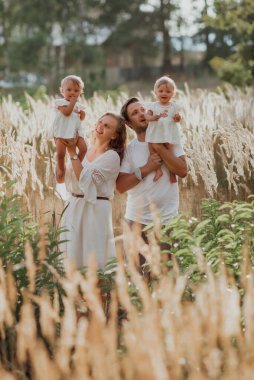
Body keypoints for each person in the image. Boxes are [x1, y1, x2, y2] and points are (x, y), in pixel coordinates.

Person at [116, 97, 187, 261]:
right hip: (136, 222)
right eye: (135, 113)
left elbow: (183, 171)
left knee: (170, 280)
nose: (141, 113)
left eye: (143, 109)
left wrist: (160, 148)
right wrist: (147, 168)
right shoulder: (129, 150)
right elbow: (120, 186)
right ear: (128, 123)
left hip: (168, 222)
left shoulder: (171, 140)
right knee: (138, 280)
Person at [60, 112, 127, 268]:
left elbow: (87, 181)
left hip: (94, 210)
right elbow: (65, 178)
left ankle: (98, 291)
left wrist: (72, 153)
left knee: (94, 259)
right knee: (71, 258)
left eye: (107, 126)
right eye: (100, 122)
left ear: (114, 136)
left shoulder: (112, 157)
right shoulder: (84, 150)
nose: (100, 126)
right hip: (73, 207)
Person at [144, 76, 182, 183]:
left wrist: (178, 118)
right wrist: (152, 118)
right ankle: (158, 170)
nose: (164, 93)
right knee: (152, 151)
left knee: (170, 152)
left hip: (168, 133)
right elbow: (146, 116)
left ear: (173, 93)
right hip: (155, 133)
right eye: (160, 91)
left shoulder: (174, 106)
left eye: (168, 91)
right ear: (155, 92)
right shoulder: (153, 106)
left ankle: (172, 172)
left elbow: (179, 117)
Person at [51, 75, 87, 183]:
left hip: (75, 132)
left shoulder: (79, 106)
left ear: (81, 92)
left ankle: (74, 166)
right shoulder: (60, 103)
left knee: (84, 148)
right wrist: (72, 103)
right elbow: (67, 113)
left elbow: (81, 119)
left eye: (76, 90)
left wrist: (82, 114)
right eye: (69, 90)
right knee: (61, 154)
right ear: (62, 91)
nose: (72, 92)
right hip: (62, 133)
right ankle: (61, 169)